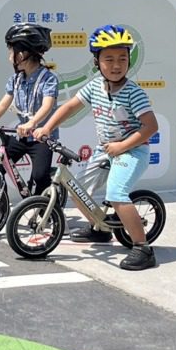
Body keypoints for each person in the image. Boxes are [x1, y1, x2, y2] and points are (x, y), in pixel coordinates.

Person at [33, 24, 160, 270]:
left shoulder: (134, 93)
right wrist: (47, 127)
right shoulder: (94, 87)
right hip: (106, 150)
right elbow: (69, 107)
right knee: (77, 189)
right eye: (109, 59)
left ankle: (143, 248)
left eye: (123, 58)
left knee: (116, 194)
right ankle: (99, 228)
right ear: (96, 62)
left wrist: (123, 145)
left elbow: (151, 127)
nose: (116, 65)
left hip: (133, 151)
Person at [0, 22, 59, 198]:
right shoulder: (16, 79)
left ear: (23, 53)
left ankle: (46, 211)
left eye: (11, 51)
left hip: (41, 137)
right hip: (22, 135)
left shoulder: (48, 79)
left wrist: (33, 123)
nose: (10, 56)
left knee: (40, 176)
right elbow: (3, 104)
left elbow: (47, 105)